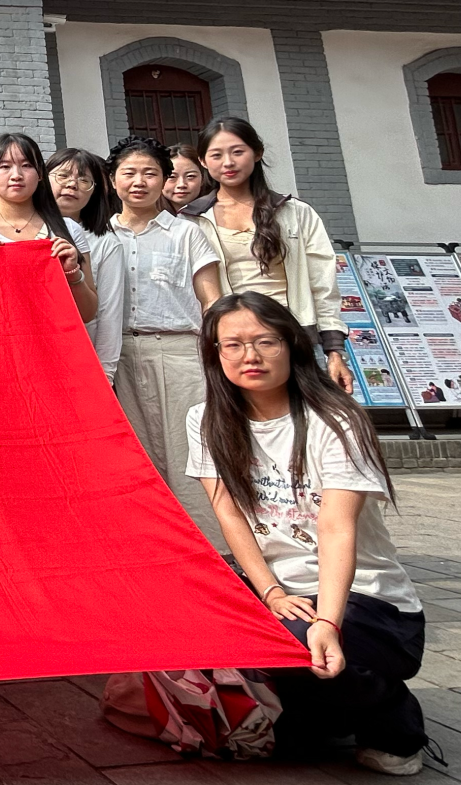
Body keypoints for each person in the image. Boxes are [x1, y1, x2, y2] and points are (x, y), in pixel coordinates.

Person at [189, 293, 429, 774]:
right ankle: (317, 712)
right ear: (216, 353)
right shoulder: (206, 418)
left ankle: (396, 724)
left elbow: (336, 527)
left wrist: (328, 623)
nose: (250, 356)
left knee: (296, 640)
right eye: (232, 344)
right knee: (184, 618)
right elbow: (229, 514)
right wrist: (271, 592)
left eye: (265, 341)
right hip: (279, 591)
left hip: (366, 600)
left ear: (292, 345)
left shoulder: (336, 420)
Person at [106, 136, 223, 543]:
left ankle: (217, 551)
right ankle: (155, 549)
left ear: (164, 180)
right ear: (112, 180)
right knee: (136, 458)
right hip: (119, 354)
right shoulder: (99, 236)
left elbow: (212, 300)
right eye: (129, 173)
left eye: (150, 173)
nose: (139, 182)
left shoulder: (187, 234)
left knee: (193, 454)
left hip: (180, 354)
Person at [182, 118, 352, 394]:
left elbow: (323, 285)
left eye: (238, 152)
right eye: (216, 155)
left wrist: (334, 350)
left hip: (293, 337)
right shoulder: (191, 221)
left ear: (257, 152)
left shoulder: (296, 213)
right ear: (203, 161)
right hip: (232, 344)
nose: (228, 162)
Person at [0, 133, 97, 321]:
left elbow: (88, 313)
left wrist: (72, 273)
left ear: (40, 174)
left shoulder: (68, 229)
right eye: (5, 166)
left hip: (56, 337)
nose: (16, 175)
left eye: (27, 165)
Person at [48, 147, 125, 383]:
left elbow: (109, 313)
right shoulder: (24, 231)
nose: (72, 184)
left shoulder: (105, 242)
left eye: (84, 180)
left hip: (81, 360)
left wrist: (105, 374)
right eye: (63, 176)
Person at [165, 144, 208, 211]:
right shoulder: (149, 215)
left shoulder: (214, 214)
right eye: (172, 176)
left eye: (190, 176)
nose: (181, 184)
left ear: (202, 178)